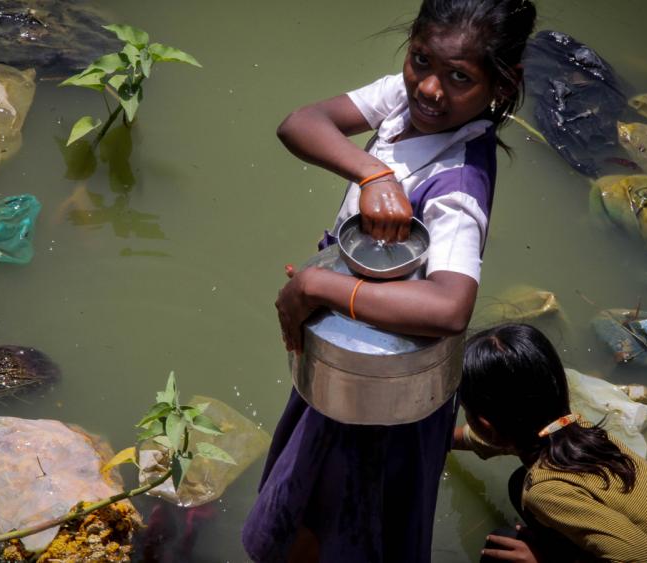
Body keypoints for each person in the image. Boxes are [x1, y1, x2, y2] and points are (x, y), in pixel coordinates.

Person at [242, 1, 537, 561]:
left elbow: (451, 306)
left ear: (502, 86)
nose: (430, 88)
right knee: (309, 509)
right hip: (344, 361)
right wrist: (371, 171)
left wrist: (316, 287)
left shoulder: (457, 187)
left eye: (459, 78)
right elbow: (300, 123)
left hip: (385, 393)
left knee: (333, 529)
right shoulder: (411, 102)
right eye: (420, 60)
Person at [454, 323, 647, 563]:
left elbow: (643, 556)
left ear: (486, 425)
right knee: (518, 485)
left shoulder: (547, 491)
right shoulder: (580, 428)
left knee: (500, 548)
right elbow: (495, 438)